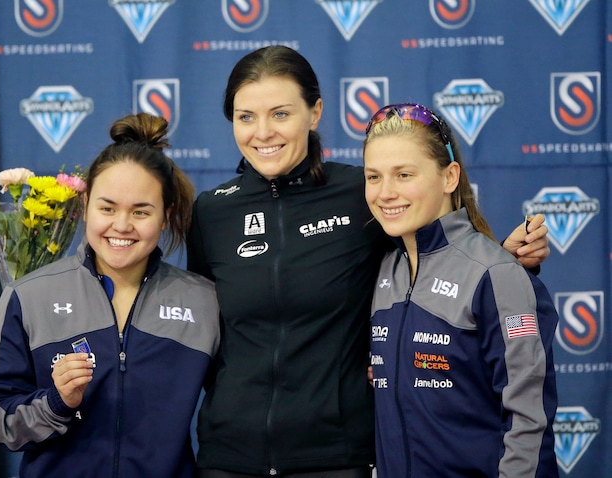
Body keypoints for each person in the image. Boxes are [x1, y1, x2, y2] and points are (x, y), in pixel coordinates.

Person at [186, 46, 550, 477]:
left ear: (315, 112)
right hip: (230, 457)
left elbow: (436, 252)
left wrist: (502, 262)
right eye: (246, 116)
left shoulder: (364, 192)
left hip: (338, 456)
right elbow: (202, 331)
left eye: (280, 114)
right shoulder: (212, 211)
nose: (262, 132)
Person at [0, 113, 220, 478]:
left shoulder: (204, 303)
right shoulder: (28, 296)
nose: (121, 225)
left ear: (166, 216)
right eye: (107, 208)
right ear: (85, 204)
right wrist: (56, 403)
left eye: (141, 211)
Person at [363, 103, 559, 477]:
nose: (385, 192)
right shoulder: (385, 270)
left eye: (404, 174)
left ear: (449, 177)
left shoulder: (495, 274)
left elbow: (529, 420)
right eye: (374, 177)